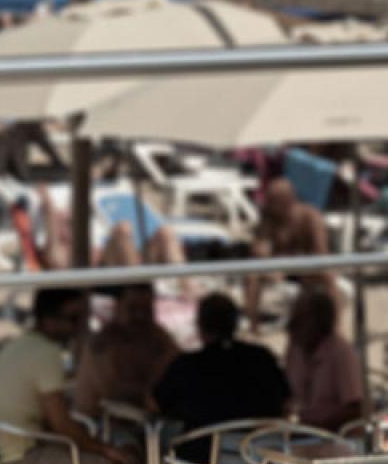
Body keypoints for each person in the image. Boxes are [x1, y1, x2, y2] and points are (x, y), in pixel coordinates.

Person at [0, 287, 89, 464]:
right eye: (74, 319)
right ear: (48, 319)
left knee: (100, 462)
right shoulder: (47, 353)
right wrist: (105, 449)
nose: (79, 327)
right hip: (17, 461)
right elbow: (61, 425)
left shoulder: (17, 344)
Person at [153, 291, 293, 439]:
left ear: (200, 326)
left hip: (197, 457)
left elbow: (158, 405)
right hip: (259, 454)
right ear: (235, 324)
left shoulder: (184, 366)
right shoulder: (262, 358)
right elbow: (286, 400)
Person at [73, 284, 180, 415]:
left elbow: (178, 367)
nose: (140, 315)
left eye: (146, 310)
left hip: (145, 420)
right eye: (133, 309)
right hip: (104, 424)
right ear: (118, 307)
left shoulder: (157, 336)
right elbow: (111, 391)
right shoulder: (104, 341)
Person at [247, 178, 334, 323]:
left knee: (328, 275)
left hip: (309, 271)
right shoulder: (269, 219)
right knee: (252, 274)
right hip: (282, 272)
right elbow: (260, 253)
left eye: (272, 201)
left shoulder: (310, 217)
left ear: (286, 200)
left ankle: (335, 326)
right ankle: (253, 323)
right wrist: (270, 264)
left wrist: (294, 265)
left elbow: (322, 254)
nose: (267, 204)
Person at [283, 283, 367, 430]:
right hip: (296, 432)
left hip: (331, 438)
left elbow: (356, 408)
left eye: (300, 320)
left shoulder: (341, 352)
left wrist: (320, 425)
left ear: (320, 322)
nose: (291, 326)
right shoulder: (295, 348)